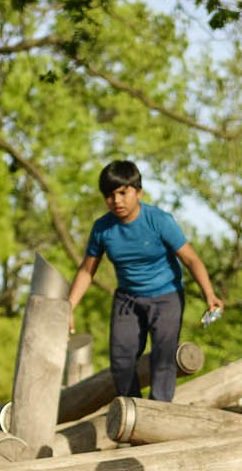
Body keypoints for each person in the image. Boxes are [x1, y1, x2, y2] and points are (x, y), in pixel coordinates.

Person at [65, 159, 224, 404]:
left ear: (138, 192)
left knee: (163, 357)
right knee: (121, 360)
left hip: (166, 297)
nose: (116, 200)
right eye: (109, 195)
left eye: (122, 192)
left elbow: (192, 260)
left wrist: (209, 295)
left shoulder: (159, 221)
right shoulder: (102, 229)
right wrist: (69, 306)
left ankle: (159, 412)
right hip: (127, 299)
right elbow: (87, 271)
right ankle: (133, 415)